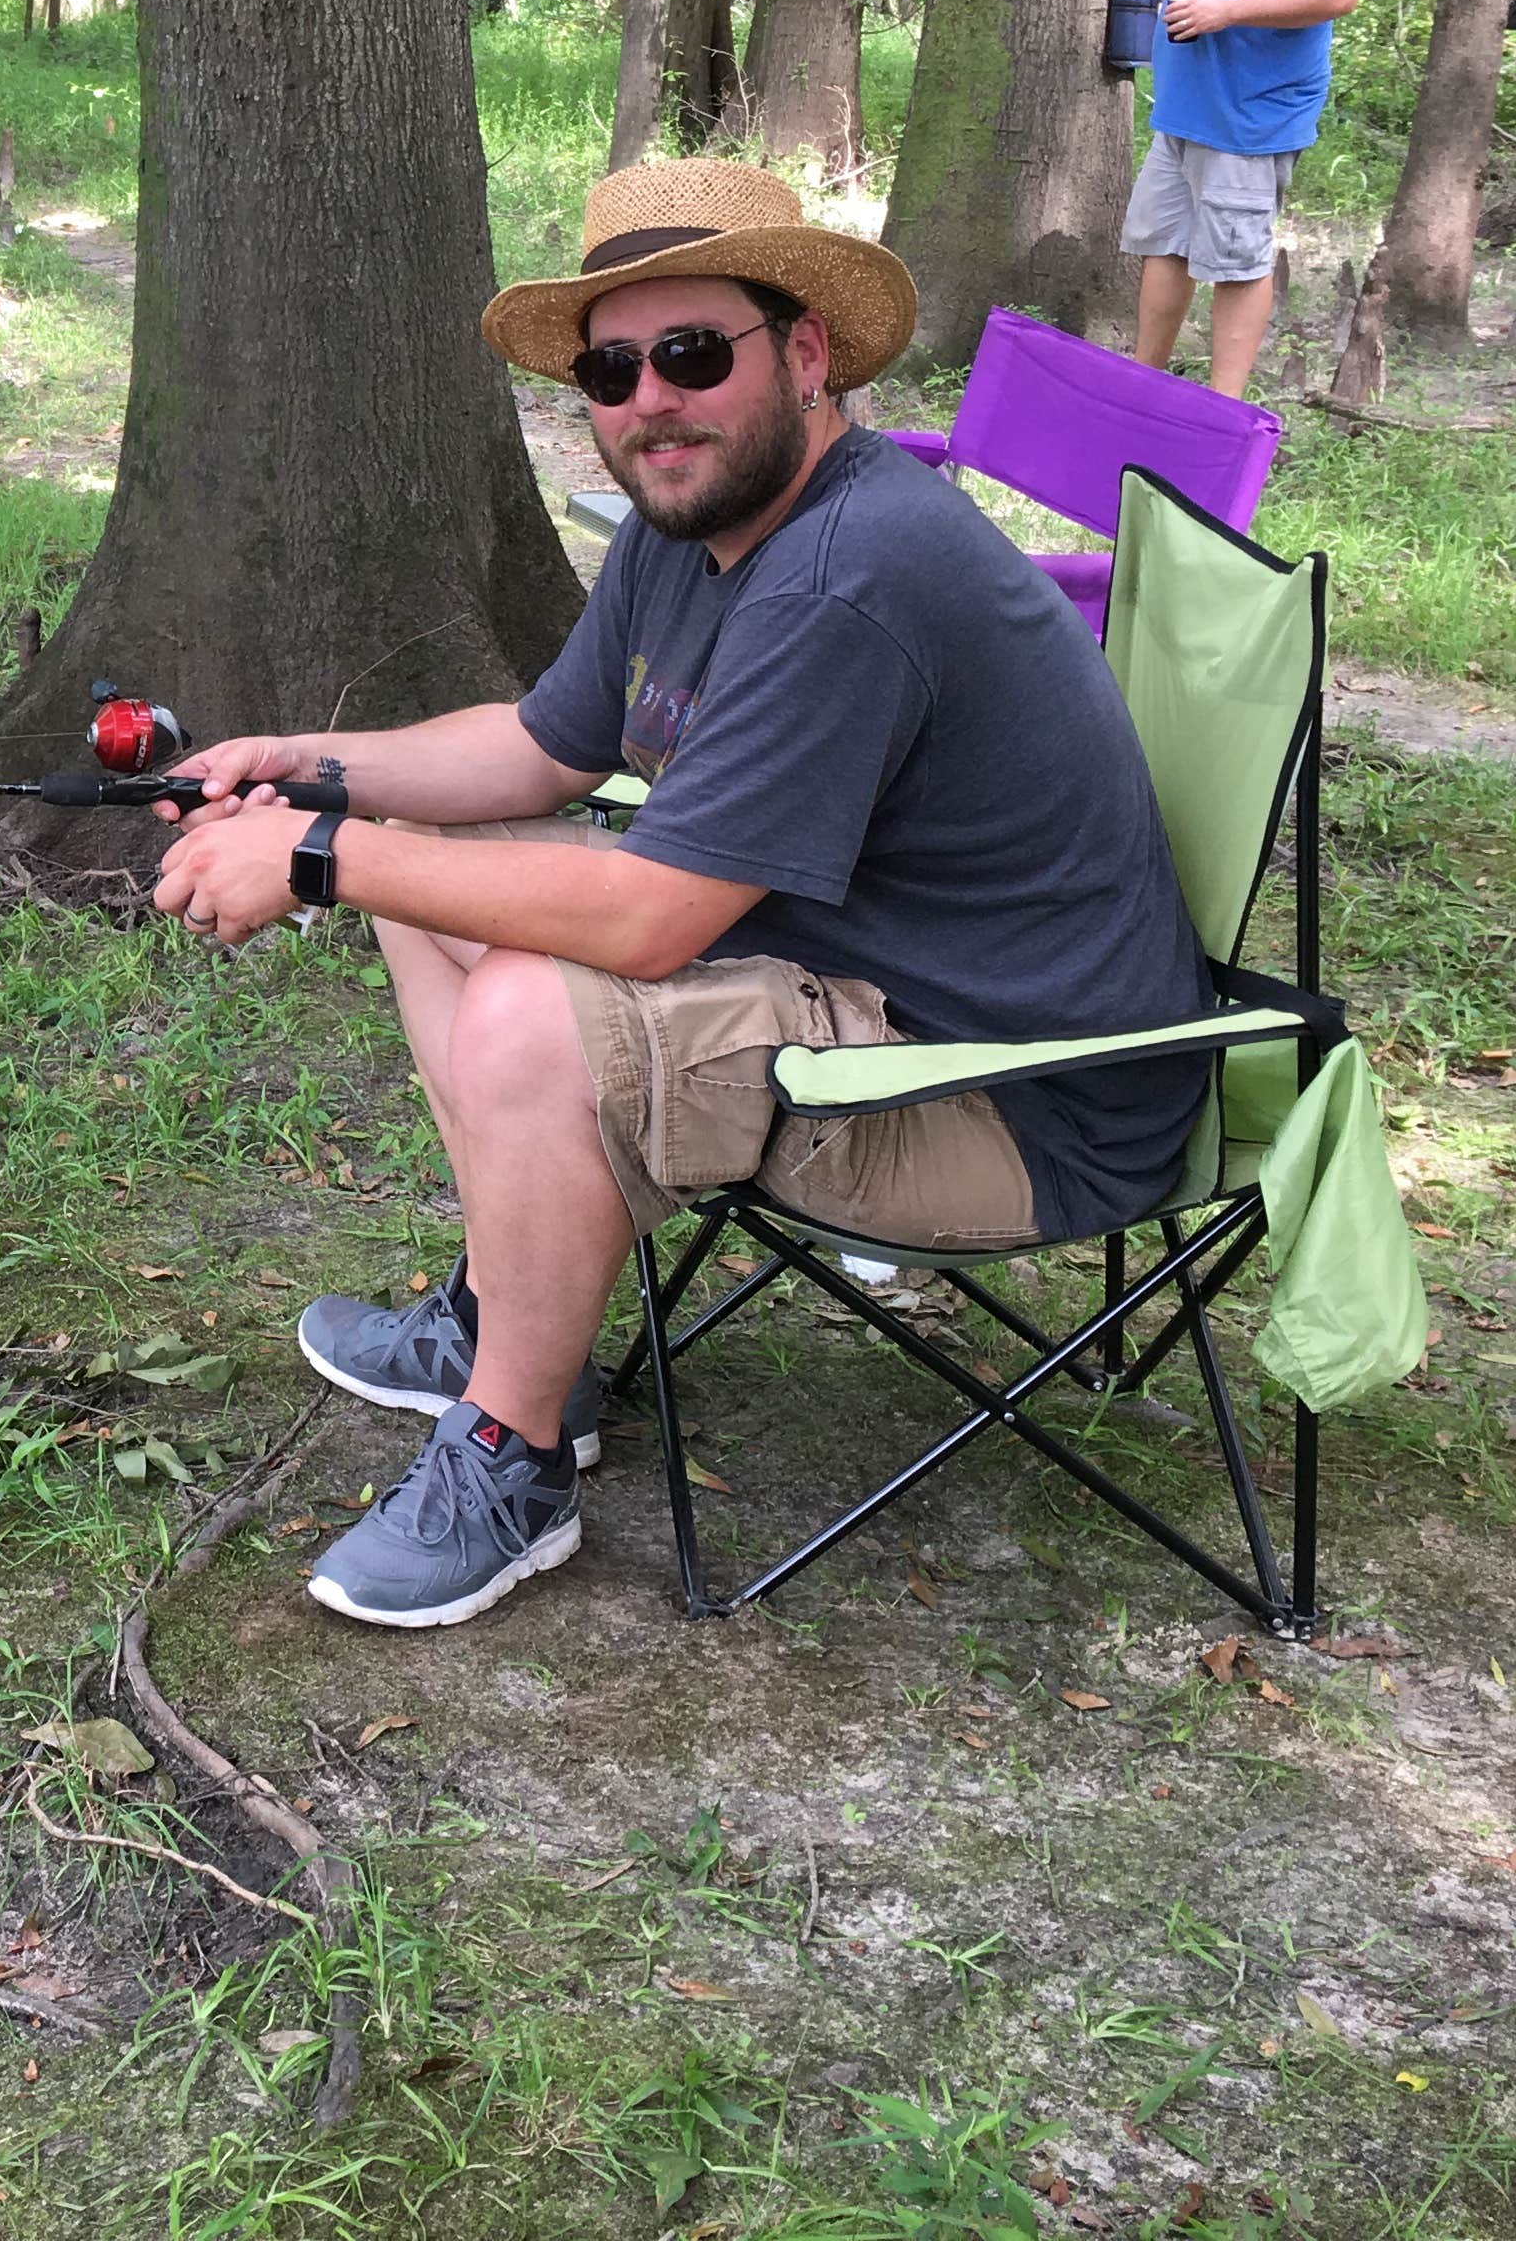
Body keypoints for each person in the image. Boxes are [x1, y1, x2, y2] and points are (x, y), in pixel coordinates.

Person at [148, 162, 1215, 1628]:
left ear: (807, 354)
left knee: (527, 1009)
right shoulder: (692, 530)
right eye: (612, 370)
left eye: (695, 354)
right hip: (868, 990)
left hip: (1011, 1097)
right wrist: (306, 770)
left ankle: (513, 1458)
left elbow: (652, 923)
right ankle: (508, 1319)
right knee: (430, 876)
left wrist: (315, 858)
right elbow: (542, 749)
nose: (651, 400)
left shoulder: (849, 573)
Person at [1122, 0, 1365, 398]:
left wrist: (1225, 13)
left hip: (1246, 119)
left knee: (1236, 263)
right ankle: (1144, 387)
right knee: (1165, 247)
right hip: (1188, 113)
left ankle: (1223, 409)